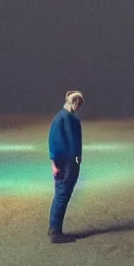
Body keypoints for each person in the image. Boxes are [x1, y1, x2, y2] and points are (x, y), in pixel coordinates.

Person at [47, 90, 84, 242]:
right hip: (65, 163)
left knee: (63, 194)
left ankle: (55, 229)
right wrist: (54, 163)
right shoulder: (62, 118)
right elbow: (53, 142)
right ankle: (55, 231)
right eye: (78, 103)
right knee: (62, 195)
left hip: (70, 162)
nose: (79, 106)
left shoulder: (69, 118)